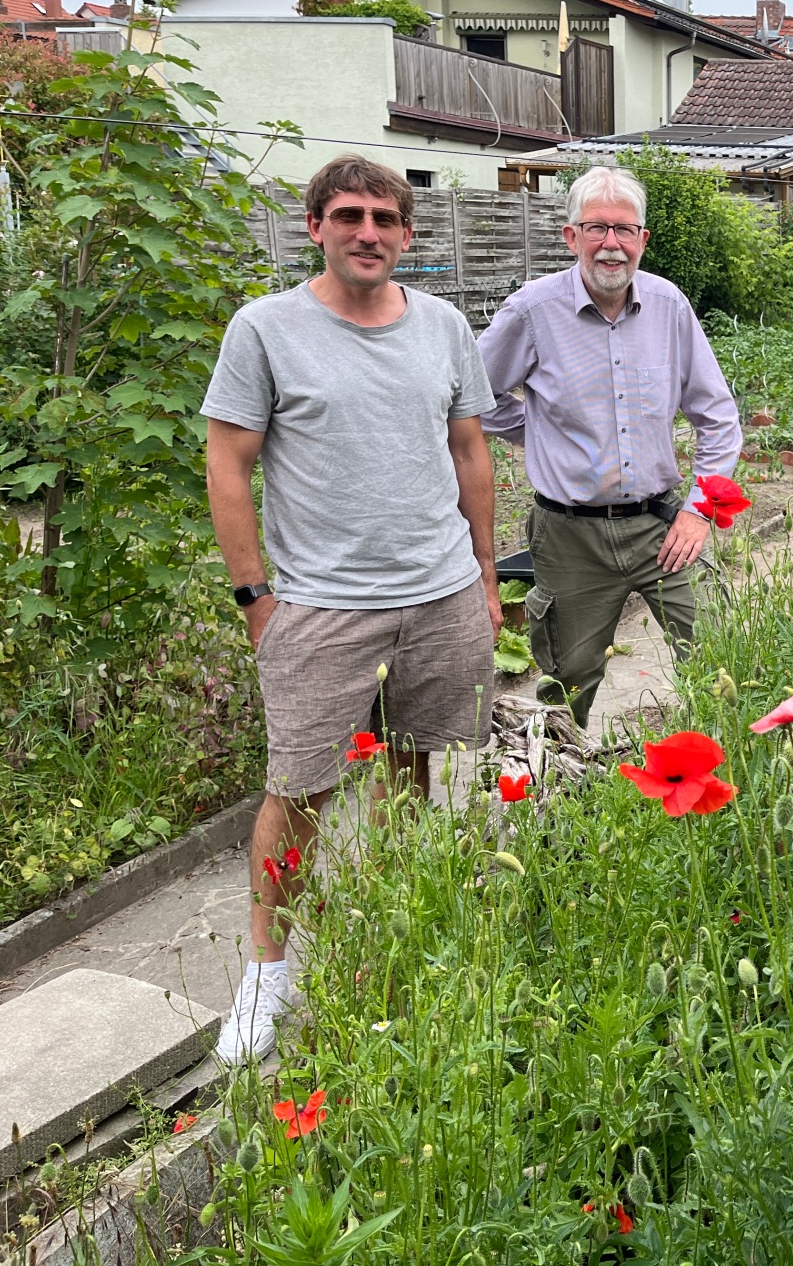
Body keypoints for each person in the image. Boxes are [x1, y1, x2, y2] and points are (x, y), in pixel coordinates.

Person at [203, 154, 501, 1064]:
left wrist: (486, 573)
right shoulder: (266, 330)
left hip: (441, 591)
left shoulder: (444, 325)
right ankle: (265, 982)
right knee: (299, 792)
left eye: (384, 218)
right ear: (316, 228)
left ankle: (397, 935)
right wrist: (256, 596)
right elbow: (228, 464)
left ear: (408, 236)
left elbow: (469, 451)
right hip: (323, 607)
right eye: (349, 216)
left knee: (416, 772)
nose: (367, 232)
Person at [478, 165, 740, 731]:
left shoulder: (669, 307)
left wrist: (698, 512)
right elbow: (473, 395)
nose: (611, 244)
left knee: (722, 659)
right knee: (565, 690)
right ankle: (559, 802)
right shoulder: (532, 311)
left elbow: (716, 416)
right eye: (596, 228)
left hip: (663, 527)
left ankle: (723, 779)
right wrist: (535, 431)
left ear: (643, 239)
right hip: (569, 536)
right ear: (571, 236)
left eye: (625, 230)